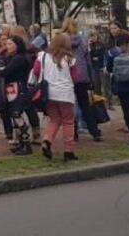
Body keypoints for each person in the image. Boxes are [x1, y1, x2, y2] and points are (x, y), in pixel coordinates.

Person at [30, 33, 77, 161]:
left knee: (54, 119)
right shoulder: (70, 59)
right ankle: (68, 151)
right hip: (65, 93)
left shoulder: (43, 56)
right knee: (68, 121)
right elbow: (74, 77)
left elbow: (36, 71)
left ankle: (47, 141)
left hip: (48, 93)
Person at [61, 19, 101, 142]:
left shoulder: (62, 40)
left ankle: (73, 133)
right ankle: (94, 132)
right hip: (82, 76)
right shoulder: (82, 40)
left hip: (67, 75)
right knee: (85, 105)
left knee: (69, 105)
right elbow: (87, 60)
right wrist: (90, 77)